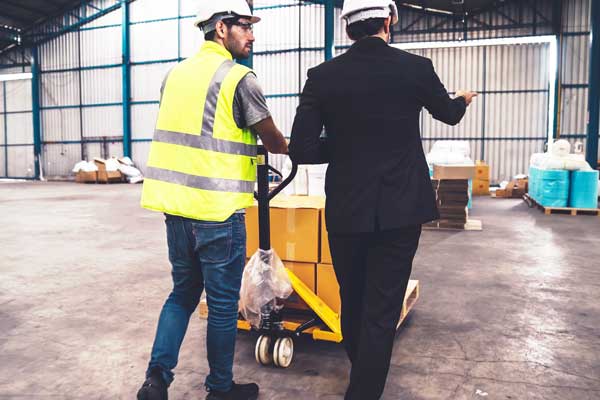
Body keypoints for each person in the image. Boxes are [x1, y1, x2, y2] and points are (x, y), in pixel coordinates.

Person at [289, 1, 477, 399]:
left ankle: (364, 378)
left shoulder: (322, 77)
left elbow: (302, 148)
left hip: (347, 210)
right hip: (401, 209)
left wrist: (344, 144)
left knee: (353, 302)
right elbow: (448, 114)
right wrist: (461, 98)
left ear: (347, 30)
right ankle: (365, 389)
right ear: (389, 21)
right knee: (381, 309)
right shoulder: (415, 69)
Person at [137, 1, 288, 399]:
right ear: (221, 28)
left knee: (182, 295)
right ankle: (220, 389)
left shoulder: (174, 75)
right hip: (218, 212)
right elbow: (272, 139)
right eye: (245, 26)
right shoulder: (239, 78)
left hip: (176, 210)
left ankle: (156, 380)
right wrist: (296, 143)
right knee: (222, 306)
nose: (252, 35)